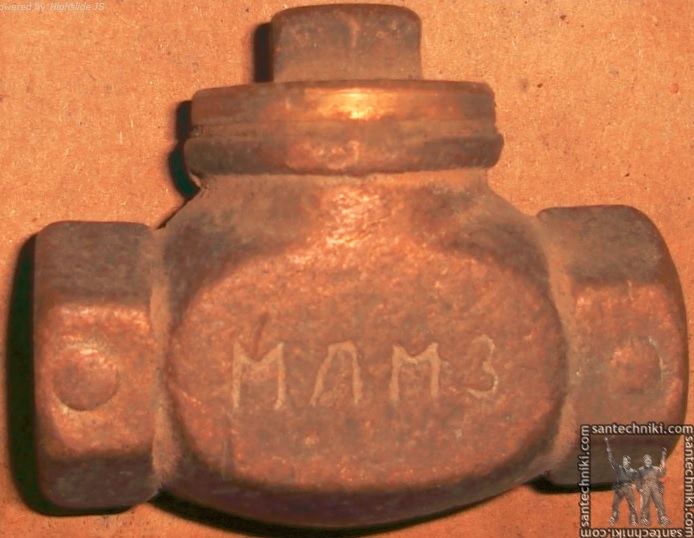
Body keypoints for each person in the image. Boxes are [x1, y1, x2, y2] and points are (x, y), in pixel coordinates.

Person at [605, 437, 639, 526]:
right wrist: (609, 451)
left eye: (626, 461)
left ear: (629, 462)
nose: (624, 462)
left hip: (628, 488)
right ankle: (614, 516)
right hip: (619, 488)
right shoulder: (619, 468)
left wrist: (635, 484)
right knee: (614, 504)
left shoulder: (632, 471)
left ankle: (633, 519)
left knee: (632, 504)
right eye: (623, 460)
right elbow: (612, 461)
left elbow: (638, 478)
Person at [638, 448, 669, 526]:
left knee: (659, 501)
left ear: (651, 461)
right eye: (646, 459)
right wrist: (639, 488)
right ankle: (645, 518)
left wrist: (663, 457)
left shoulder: (656, 469)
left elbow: (662, 473)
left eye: (649, 459)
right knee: (645, 502)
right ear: (644, 461)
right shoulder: (640, 470)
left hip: (655, 485)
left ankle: (662, 517)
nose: (648, 461)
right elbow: (637, 479)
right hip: (645, 486)